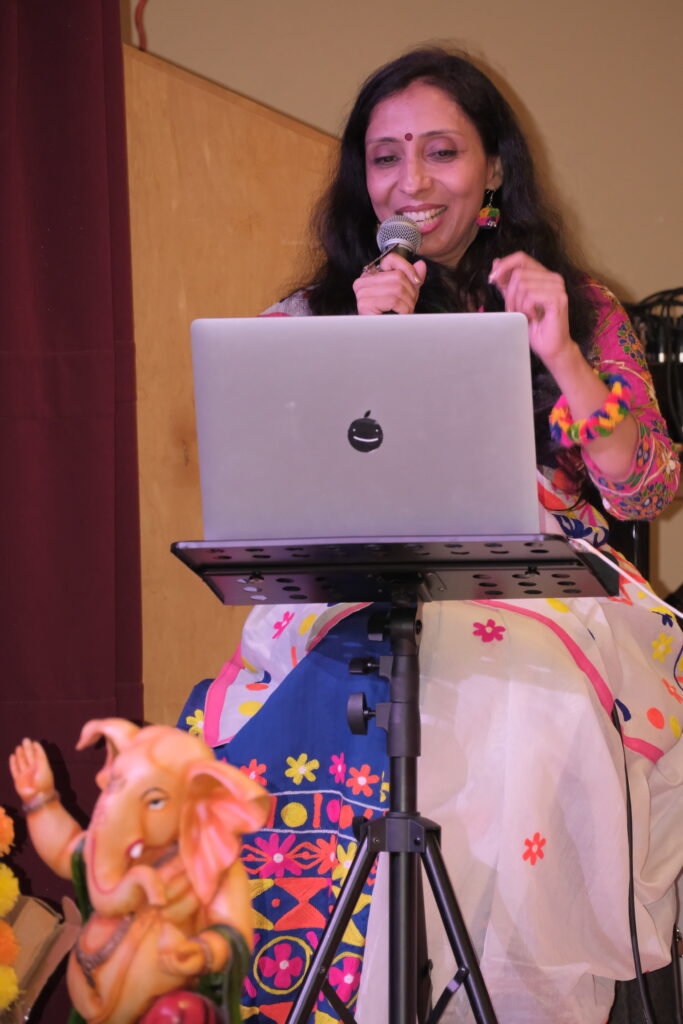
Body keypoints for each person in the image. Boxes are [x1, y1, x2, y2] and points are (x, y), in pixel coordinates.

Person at [178, 48, 683, 1024]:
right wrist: (366, 348)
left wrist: (559, 353)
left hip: (547, 596)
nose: (410, 182)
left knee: (510, 704)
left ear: (492, 167)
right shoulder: (310, 316)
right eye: (385, 157)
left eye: (440, 152)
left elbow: (646, 486)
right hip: (351, 595)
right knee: (319, 706)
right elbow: (274, 502)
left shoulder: (574, 305)